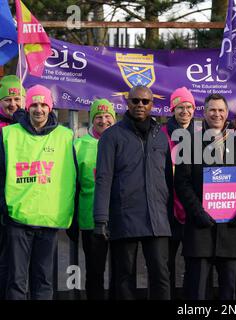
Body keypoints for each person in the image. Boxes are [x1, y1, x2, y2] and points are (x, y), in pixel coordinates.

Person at [93, 85, 173, 300]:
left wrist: (170, 214)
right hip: (124, 216)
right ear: (127, 103)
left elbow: (167, 179)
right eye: (135, 101)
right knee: (124, 277)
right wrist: (101, 219)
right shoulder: (111, 136)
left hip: (156, 218)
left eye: (145, 101)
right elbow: (103, 178)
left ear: (152, 105)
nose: (140, 105)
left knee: (161, 275)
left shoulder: (160, 137)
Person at [174, 93, 236, 300]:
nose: (217, 114)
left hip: (232, 230)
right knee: (197, 291)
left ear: (227, 113)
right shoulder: (189, 143)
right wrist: (198, 212)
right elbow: (182, 183)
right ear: (204, 112)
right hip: (200, 229)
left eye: (221, 110)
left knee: (229, 291)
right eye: (212, 110)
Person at [0, 85, 77, 300]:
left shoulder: (66, 136)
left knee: (43, 281)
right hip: (18, 219)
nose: (39, 109)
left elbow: (73, 177)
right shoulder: (8, 134)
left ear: (50, 107)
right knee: (16, 282)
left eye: (44, 105)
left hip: (49, 219)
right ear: (27, 106)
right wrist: (4, 208)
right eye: (34, 104)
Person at [71, 99, 116, 300]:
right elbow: (72, 184)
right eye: (99, 116)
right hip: (90, 219)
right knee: (95, 271)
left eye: (108, 116)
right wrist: (71, 218)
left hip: (120, 218)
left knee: (122, 271)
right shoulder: (79, 145)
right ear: (91, 119)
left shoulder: (122, 141)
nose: (103, 120)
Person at [162, 87, 196, 299]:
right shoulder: (160, 134)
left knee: (193, 263)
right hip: (166, 209)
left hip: (191, 208)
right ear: (172, 109)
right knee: (166, 265)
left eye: (189, 107)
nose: (185, 111)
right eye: (180, 107)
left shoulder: (201, 135)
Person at [0, 75, 26, 299]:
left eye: (17, 99)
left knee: (15, 264)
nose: (13, 104)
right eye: (8, 100)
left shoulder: (26, 125)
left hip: (19, 204)